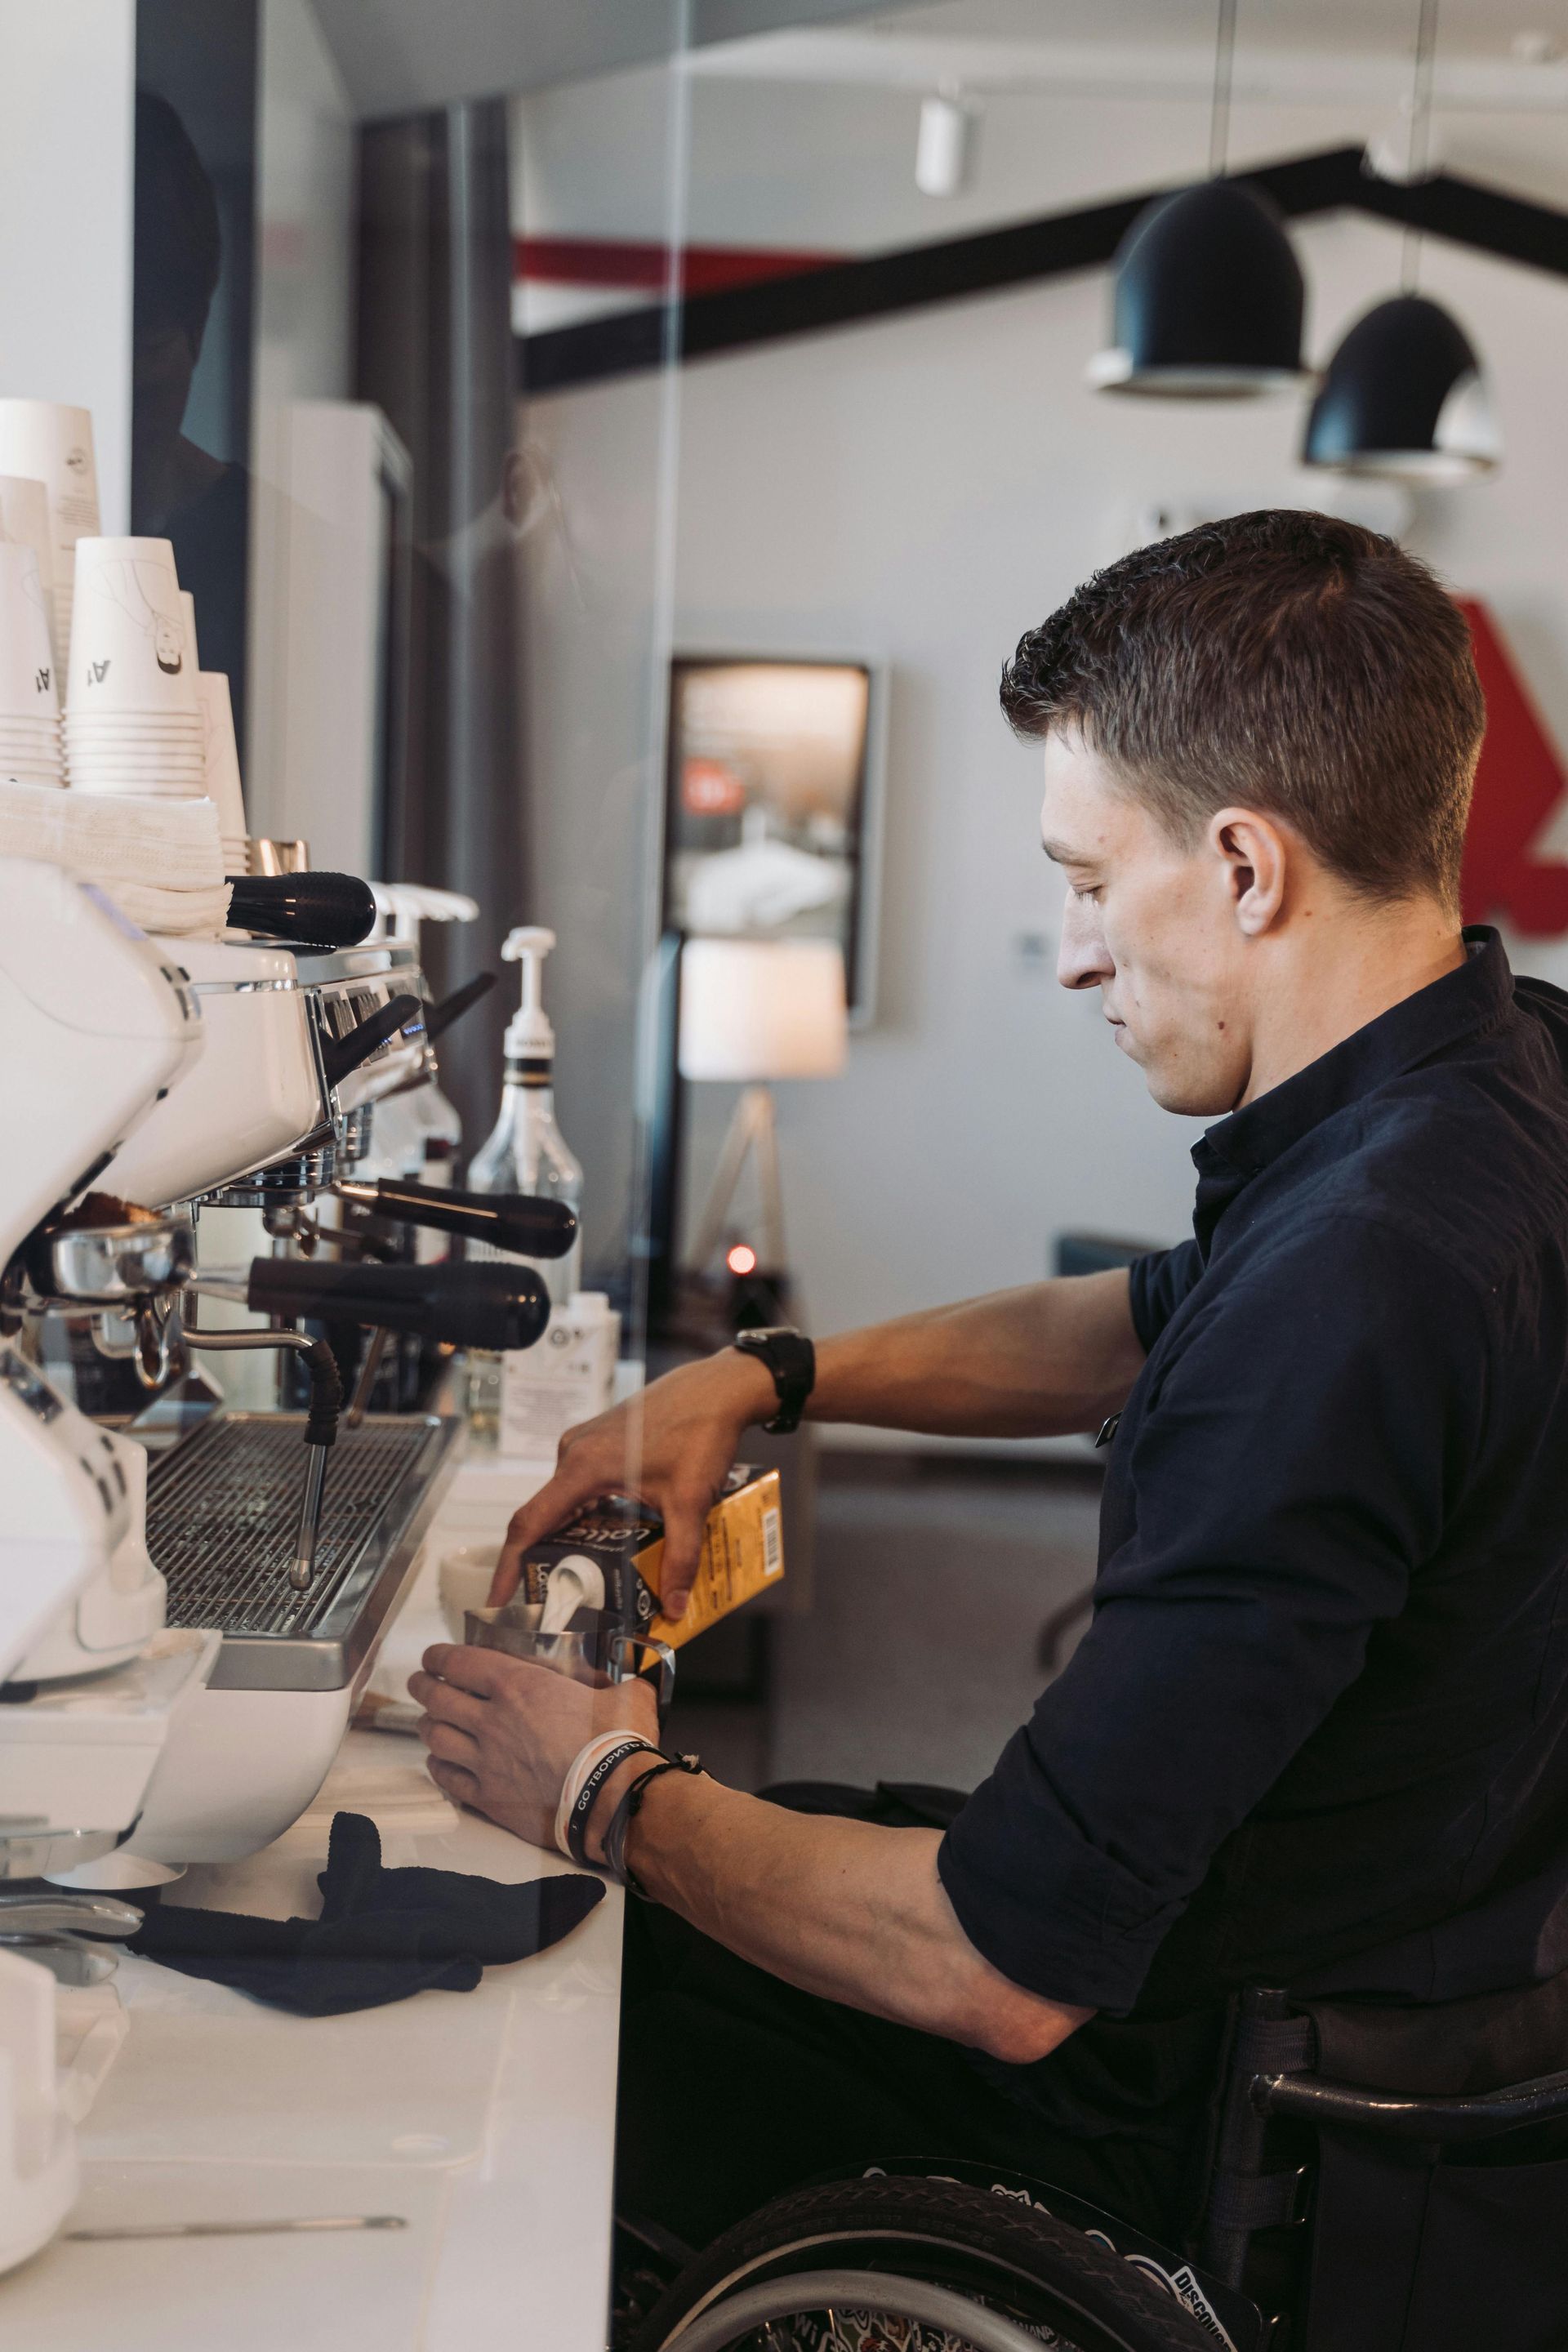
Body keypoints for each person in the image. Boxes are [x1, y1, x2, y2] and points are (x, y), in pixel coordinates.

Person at [410, 510, 1568, 2261]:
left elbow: (995, 1968)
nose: (1080, 951)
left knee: (527, 1985)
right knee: (773, 1833)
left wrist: (600, 1792)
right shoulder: (1501, 1077)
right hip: (1407, 1982)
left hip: (1193, 2117)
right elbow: (1135, 1321)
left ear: (1249, 868)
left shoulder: (1363, 1276)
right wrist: (765, 1376)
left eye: (1093, 881)